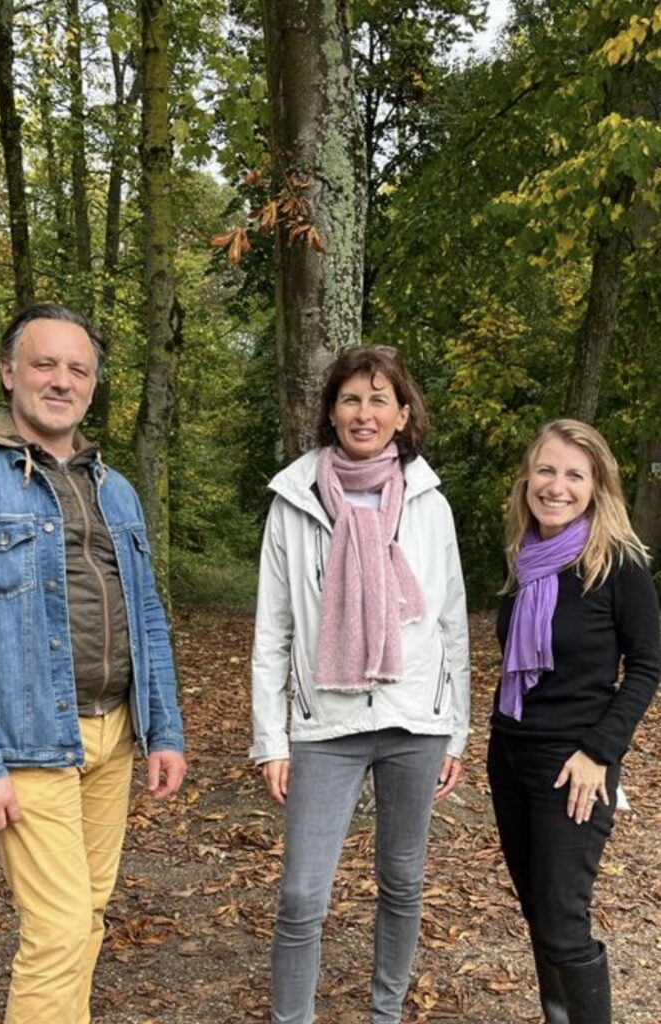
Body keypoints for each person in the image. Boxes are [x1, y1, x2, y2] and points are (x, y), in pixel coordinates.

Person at [0, 303, 186, 1024]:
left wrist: (165, 732)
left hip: (116, 734)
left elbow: (147, 615)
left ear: (92, 386)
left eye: (78, 369)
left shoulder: (114, 487)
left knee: (88, 913)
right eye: (44, 364)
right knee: (59, 930)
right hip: (29, 741)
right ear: (8, 373)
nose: (61, 381)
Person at [250, 345, 470, 1024]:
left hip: (415, 723)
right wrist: (271, 739)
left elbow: (452, 619)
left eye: (380, 399)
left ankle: (386, 1015)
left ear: (403, 415)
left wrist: (456, 724)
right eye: (351, 398)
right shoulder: (295, 498)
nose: (364, 412)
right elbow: (271, 630)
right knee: (301, 895)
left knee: (402, 883)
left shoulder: (430, 503)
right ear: (332, 411)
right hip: (327, 727)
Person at [487, 419, 660, 1024]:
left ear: (596, 487)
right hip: (509, 754)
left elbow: (646, 667)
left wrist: (600, 753)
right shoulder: (524, 562)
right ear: (527, 478)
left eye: (573, 475)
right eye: (546, 469)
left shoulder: (619, 565)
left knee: (563, 924)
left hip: (575, 763)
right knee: (539, 910)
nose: (556, 486)